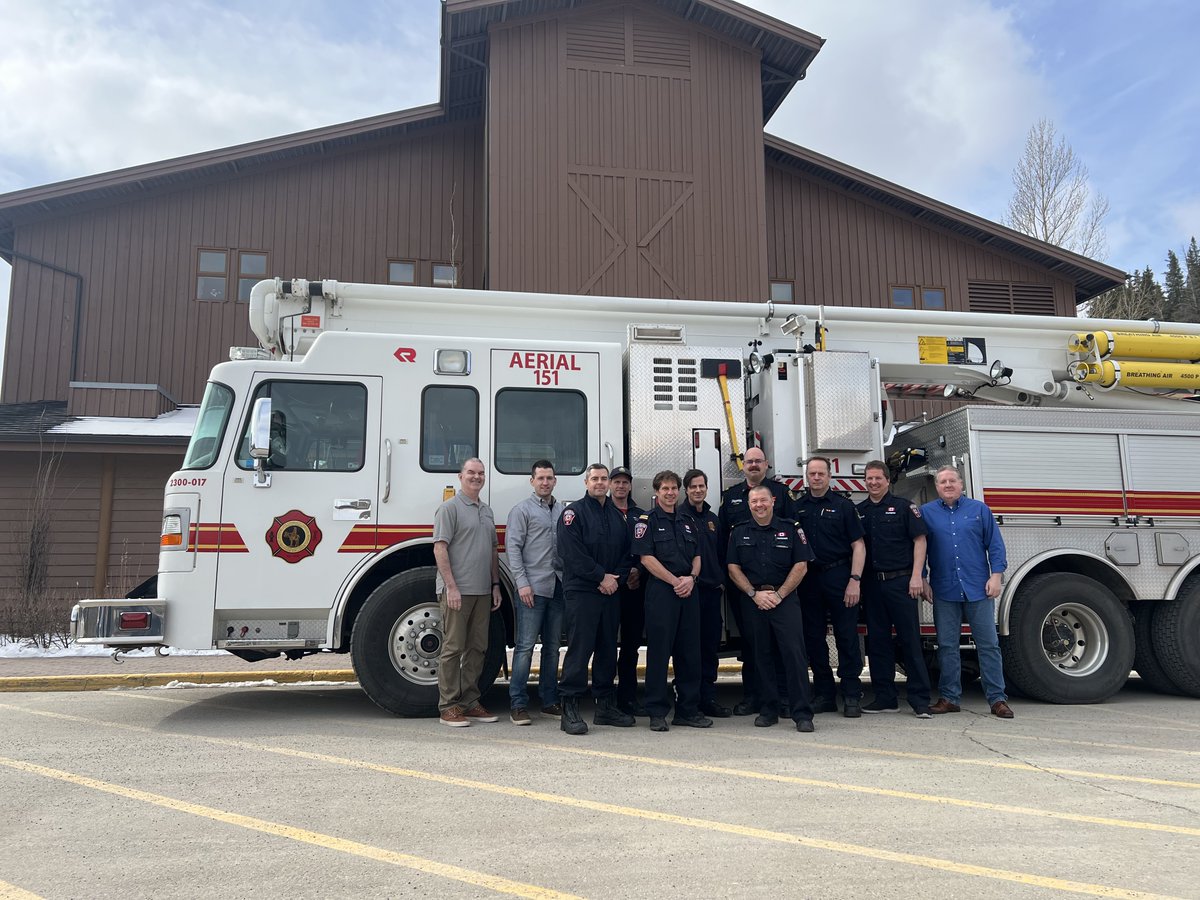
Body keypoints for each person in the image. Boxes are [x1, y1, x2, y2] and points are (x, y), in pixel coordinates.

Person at [921, 466, 1014, 719]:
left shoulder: (979, 510)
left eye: (952, 480)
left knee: (988, 645)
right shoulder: (926, 513)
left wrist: (996, 576)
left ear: (961, 484)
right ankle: (949, 698)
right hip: (944, 588)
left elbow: (995, 545)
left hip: (978, 588)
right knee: (947, 646)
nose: (948, 485)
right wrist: (923, 578)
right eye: (942, 482)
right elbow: (919, 548)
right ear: (937, 487)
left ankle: (997, 699)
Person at [726, 484, 817, 733]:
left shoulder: (791, 529)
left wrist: (779, 595)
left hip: (784, 599)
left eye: (763, 500)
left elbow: (801, 565)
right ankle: (769, 710)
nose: (759, 505)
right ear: (749, 505)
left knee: (794, 656)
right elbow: (733, 568)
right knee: (760, 656)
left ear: (773, 501)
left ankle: (802, 713)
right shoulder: (739, 532)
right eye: (754, 502)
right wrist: (754, 594)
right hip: (754, 600)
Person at [556, 463, 636, 735]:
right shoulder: (573, 514)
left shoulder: (616, 517)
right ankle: (570, 708)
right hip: (582, 592)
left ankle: (605, 707)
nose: (601, 483)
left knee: (607, 650)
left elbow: (628, 554)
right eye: (596, 479)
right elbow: (571, 554)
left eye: (604, 479)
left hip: (610, 592)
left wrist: (616, 579)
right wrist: (601, 577)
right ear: (586, 483)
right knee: (580, 650)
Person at [632, 470, 711, 732]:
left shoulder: (688, 521)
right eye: (664, 489)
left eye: (674, 488)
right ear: (656, 491)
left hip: (689, 591)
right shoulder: (647, 521)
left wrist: (690, 578)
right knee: (659, 653)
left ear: (680, 491)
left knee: (690, 652)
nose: (670, 493)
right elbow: (647, 559)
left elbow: (698, 556)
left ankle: (688, 710)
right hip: (662, 592)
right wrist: (675, 581)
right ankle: (656, 711)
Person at [717, 447, 793, 715]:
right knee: (751, 642)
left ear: (766, 465)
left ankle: (783, 698)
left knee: (780, 643)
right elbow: (723, 538)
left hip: (778, 586)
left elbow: (792, 533)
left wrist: (782, 589)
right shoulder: (732, 497)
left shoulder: (782, 493)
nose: (753, 465)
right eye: (748, 462)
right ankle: (752, 697)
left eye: (758, 461)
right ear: (743, 466)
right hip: (745, 586)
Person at [856, 460, 932, 718]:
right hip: (872, 585)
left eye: (878, 478)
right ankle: (885, 697)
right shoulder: (860, 511)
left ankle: (920, 699)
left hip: (902, 583)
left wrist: (917, 576)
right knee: (877, 643)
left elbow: (919, 541)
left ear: (888, 480)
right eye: (869, 478)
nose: (873, 483)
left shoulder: (904, 507)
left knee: (910, 641)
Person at [794, 455, 867, 717]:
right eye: (811, 473)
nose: (816, 477)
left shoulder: (844, 506)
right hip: (808, 580)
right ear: (807, 477)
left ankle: (851, 694)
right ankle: (825, 694)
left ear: (829, 476)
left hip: (839, 576)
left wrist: (854, 580)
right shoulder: (798, 508)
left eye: (820, 474)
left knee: (846, 637)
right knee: (813, 638)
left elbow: (858, 545)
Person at [433, 457, 503, 727]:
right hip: (457, 591)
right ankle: (448, 706)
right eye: (471, 473)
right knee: (452, 648)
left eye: (481, 473)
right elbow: (440, 548)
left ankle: (469, 702)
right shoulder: (449, 509)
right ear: (460, 476)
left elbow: (492, 552)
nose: (476, 477)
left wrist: (495, 585)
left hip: (483, 591)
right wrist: (451, 586)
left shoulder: (486, 511)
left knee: (477, 648)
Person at [505, 459, 564, 725]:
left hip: (557, 587)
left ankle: (549, 701)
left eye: (549, 478)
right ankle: (518, 704)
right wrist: (522, 583)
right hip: (532, 588)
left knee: (552, 648)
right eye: (540, 478)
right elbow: (513, 548)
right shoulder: (522, 511)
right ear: (532, 481)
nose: (545, 482)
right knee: (525, 647)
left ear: (554, 481)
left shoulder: (562, 510)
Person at [682, 468, 730, 718]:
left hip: (711, 591)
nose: (698, 490)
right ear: (686, 490)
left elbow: (722, 552)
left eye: (702, 486)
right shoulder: (678, 517)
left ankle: (708, 697)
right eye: (693, 487)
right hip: (689, 593)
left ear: (706, 488)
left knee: (710, 647)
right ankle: (688, 698)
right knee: (689, 648)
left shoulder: (713, 519)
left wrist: (721, 579)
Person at [609, 466, 648, 717]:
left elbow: (645, 549)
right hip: (610, 588)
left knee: (631, 646)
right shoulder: (602, 512)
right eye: (617, 482)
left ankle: (628, 697)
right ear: (611, 485)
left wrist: (637, 571)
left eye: (625, 482)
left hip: (634, 589)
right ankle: (605, 697)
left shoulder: (641, 515)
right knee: (606, 645)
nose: (621, 486)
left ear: (630, 486)